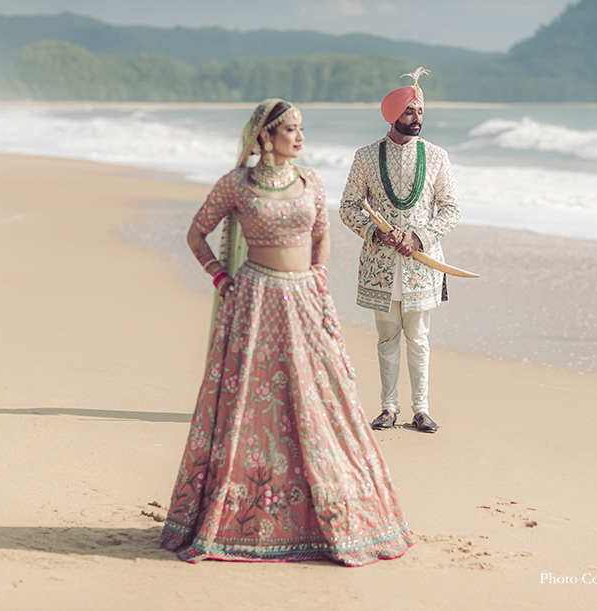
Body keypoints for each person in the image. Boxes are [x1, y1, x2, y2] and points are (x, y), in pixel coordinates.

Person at [160, 99, 412, 566]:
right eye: (291, 129)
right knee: (253, 406)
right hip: (255, 301)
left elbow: (322, 234)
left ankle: (337, 511)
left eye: (301, 129)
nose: (300, 137)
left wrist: (319, 277)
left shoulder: (310, 180)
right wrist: (221, 277)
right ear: (264, 136)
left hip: (305, 299)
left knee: (323, 400)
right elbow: (197, 233)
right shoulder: (237, 184)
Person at [339, 68, 460, 434]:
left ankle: (421, 410)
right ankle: (388, 408)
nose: (416, 117)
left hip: (421, 264)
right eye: (409, 111)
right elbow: (348, 207)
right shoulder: (365, 157)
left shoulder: (436, 156)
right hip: (380, 264)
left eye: (420, 111)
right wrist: (375, 232)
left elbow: (451, 209)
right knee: (387, 337)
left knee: (418, 338)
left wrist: (419, 238)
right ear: (393, 114)